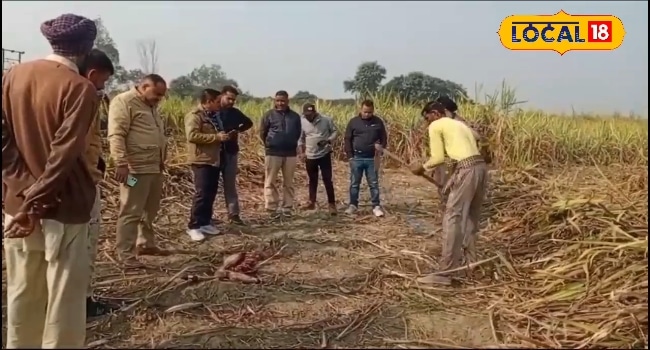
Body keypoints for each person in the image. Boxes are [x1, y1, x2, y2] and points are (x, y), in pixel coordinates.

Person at [2, 13, 99, 348]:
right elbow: (64, 154)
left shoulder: (14, 74)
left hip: (17, 205)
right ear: (87, 47)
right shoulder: (80, 88)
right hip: (63, 206)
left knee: (22, 291)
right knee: (63, 298)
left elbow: (5, 142)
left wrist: (22, 192)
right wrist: (36, 203)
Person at [410, 101, 488, 285]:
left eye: (427, 117)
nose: (427, 123)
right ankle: (472, 265)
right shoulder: (460, 124)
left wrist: (421, 167)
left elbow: (437, 158)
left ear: (435, 114)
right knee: (470, 219)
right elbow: (477, 137)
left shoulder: (437, 125)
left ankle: (445, 273)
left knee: (453, 217)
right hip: (481, 168)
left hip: (466, 170)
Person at [108, 74, 168, 266]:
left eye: (162, 95)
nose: (159, 98)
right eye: (157, 93)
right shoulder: (124, 102)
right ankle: (125, 254)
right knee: (131, 210)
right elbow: (116, 134)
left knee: (150, 210)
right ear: (143, 86)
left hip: (154, 169)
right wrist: (121, 163)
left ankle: (146, 243)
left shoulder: (152, 107)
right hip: (134, 172)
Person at [78, 48, 116, 317]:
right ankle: (83, 300)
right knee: (131, 207)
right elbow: (117, 136)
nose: (103, 87)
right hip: (87, 183)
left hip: (93, 178)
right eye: (102, 80)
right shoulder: (82, 99)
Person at [184, 89, 231, 241]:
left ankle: (205, 222)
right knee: (201, 194)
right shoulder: (195, 116)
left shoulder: (214, 116)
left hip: (213, 159)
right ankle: (194, 226)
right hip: (201, 160)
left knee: (210, 193)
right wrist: (216, 137)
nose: (220, 104)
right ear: (209, 102)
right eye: (217, 101)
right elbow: (192, 136)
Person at [213, 85, 253, 225]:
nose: (231, 102)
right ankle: (207, 216)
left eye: (233, 100)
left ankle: (233, 214)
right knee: (210, 186)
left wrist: (237, 130)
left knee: (230, 185)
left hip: (230, 151)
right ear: (221, 96)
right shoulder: (213, 111)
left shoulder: (235, 113)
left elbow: (249, 123)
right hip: (214, 153)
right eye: (229, 98)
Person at [432, 96, 484, 204]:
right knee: (443, 187)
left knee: (452, 189)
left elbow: (476, 136)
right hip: (445, 162)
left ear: (445, 111)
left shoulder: (458, 123)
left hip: (458, 164)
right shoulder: (444, 123)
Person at [260, 90, 302, 216]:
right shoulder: (269, 115)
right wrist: (269, 144)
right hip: (273, 152)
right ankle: (271, 208)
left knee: (288, 182)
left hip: (290, 153)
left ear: (288, 101)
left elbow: (298, 132)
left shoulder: (295, 116)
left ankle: (287, 207)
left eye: (283, 100)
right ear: (275, 101)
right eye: (278, 100)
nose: (280, 103)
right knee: (270, 181)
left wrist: (292, 143)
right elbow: (263, 132)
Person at [343, 99, 387, 217]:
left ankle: (376, 206)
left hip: (372, 159)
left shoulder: (378, 122)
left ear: (373, 111)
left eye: (370, 112)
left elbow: (383, 137)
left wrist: (381, 148)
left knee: (373, 183)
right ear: (360, 109)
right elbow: (347, 139)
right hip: (357, 158)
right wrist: (350, 156)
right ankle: (353, 205)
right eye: (365, 112)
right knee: (354, 183)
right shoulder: (353, 122)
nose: (367, 114)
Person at [298, 103, 338, 215]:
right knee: (312, 179)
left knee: (327, 179)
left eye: (311, 114)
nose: (309, 117)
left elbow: (334, 131)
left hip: (324, 154)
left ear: (315, 112)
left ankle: (332, 204)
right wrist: (301, 153)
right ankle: (312, 202)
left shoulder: (326, 120)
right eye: (306, 114)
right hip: (310, 155)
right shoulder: (302, 121)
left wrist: (329, 140)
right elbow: (300, 138)